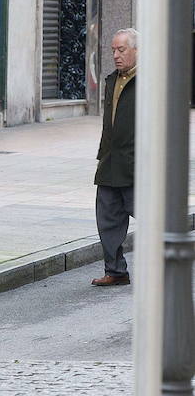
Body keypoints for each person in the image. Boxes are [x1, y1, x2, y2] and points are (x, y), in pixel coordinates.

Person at [92, 27, 137, 287]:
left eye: (122, 50)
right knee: (107, 220)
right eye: (113, 50)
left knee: (153, 218)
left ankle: (169, 265)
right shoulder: (111, 80)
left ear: (136, 51)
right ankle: (116, 271)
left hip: (137, 164)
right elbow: (108, 125)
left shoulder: (149, 81)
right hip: (110, 163)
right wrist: (102, 155)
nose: (116, 55)